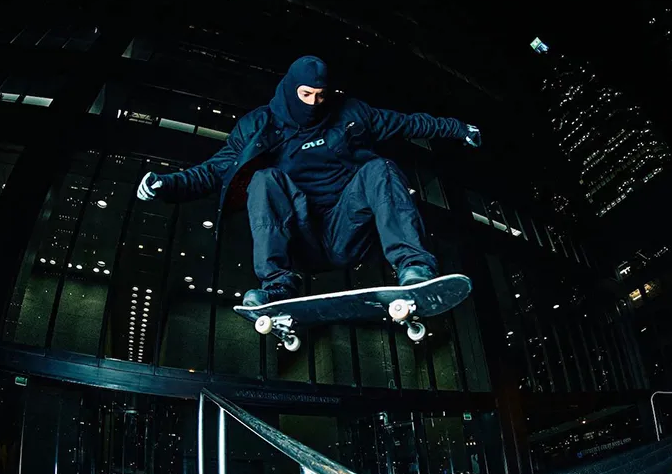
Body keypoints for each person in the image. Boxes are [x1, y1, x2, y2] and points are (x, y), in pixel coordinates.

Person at [137, 55, 481, 306]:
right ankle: (277, 284)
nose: (314, 103)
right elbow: (215, 170)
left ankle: (414, 267)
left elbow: (407, 123)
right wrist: (168, 184)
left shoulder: (351, 113)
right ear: (291, 90)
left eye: (321, 95)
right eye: (306, 95)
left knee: (381, 168)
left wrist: (459, 128)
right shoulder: (258, 126)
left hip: (348, 228)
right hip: (301, 235)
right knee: (263, 179)